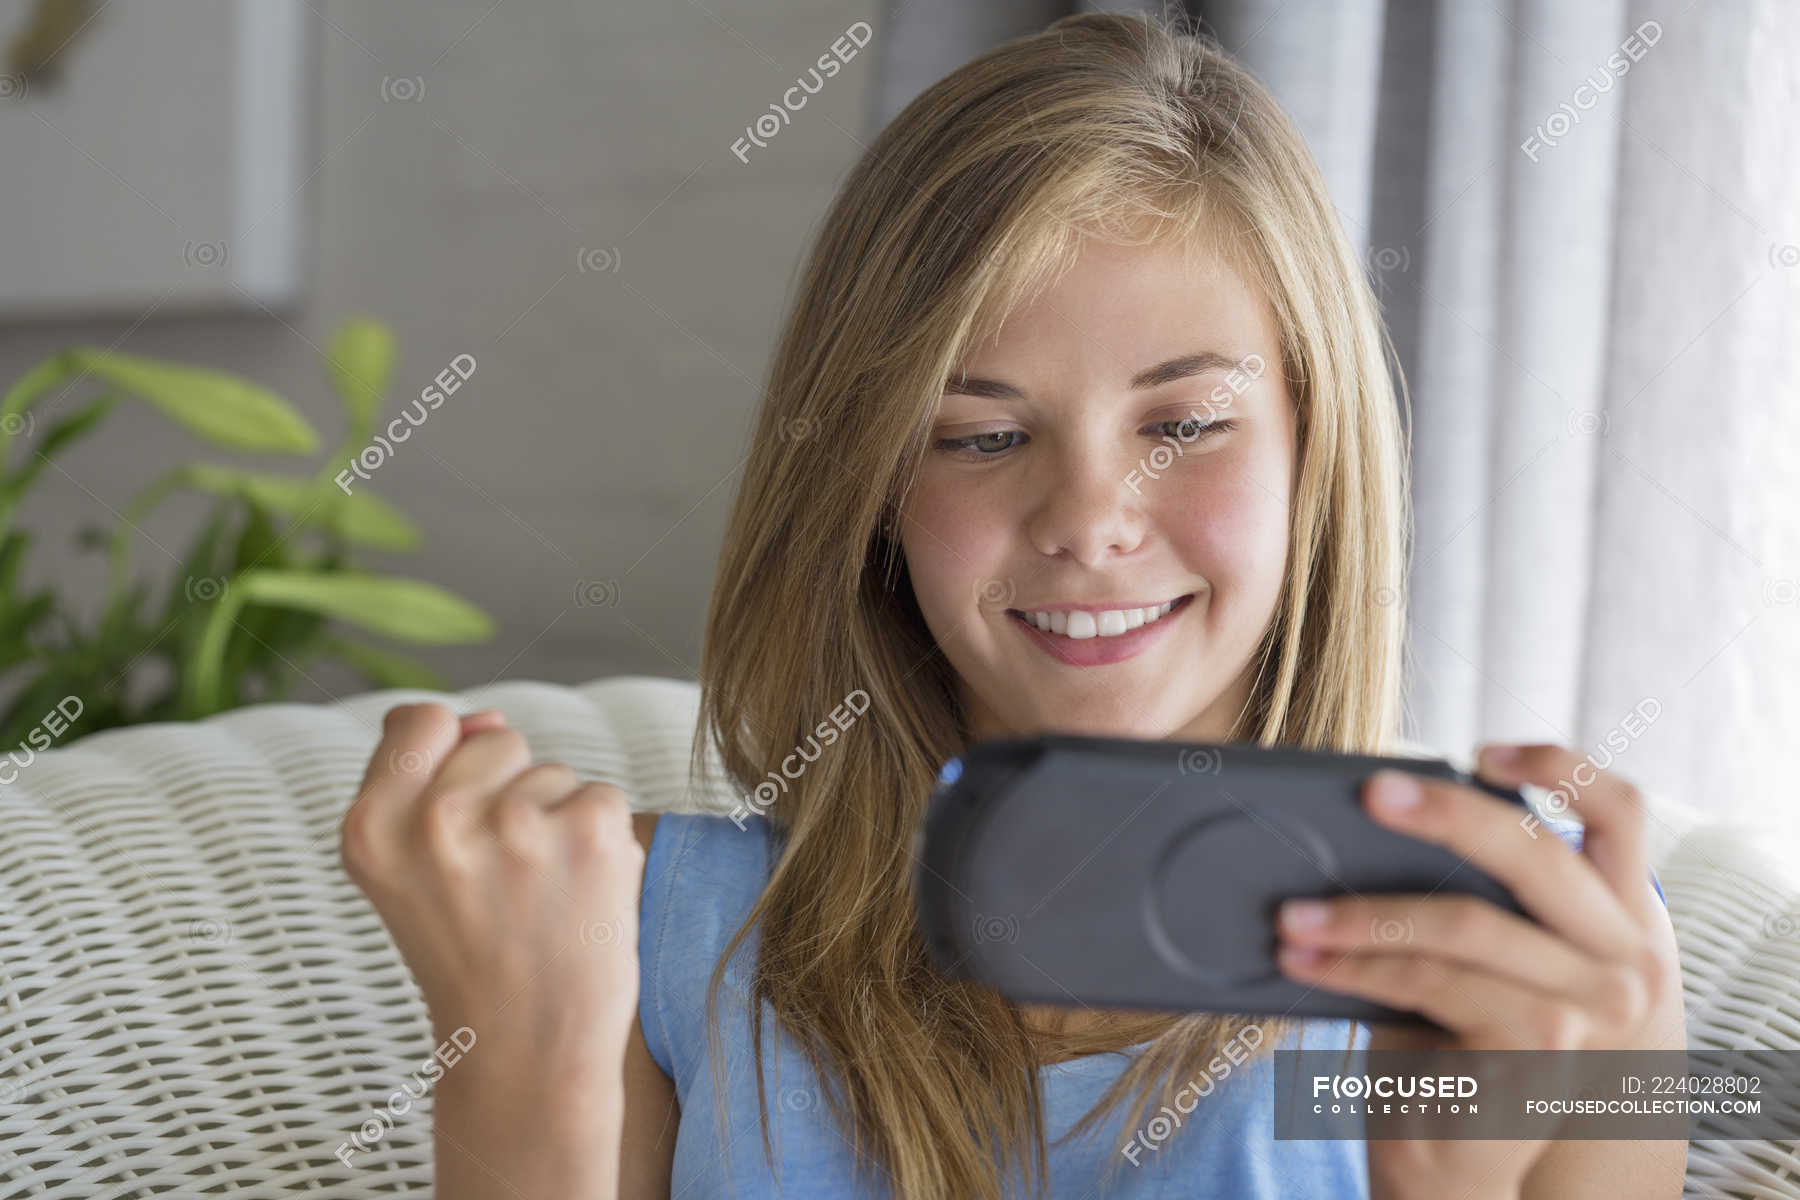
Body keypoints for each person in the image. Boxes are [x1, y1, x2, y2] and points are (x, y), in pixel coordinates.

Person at [340, 10, 1687, 1199]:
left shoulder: (1557, 971)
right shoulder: (638, 935)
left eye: (1187, 422)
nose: (1088, 518)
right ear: (867, 493)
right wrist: (524, 1062)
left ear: (1313, 455)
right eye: (980, 436)